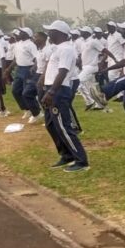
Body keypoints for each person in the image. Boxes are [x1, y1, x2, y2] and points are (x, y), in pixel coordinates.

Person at [39, 20, 89, 173]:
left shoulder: (66, 49)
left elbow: (63, 71)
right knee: (51, 125)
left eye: (50, 31)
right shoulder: (59, 48)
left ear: (59, 33)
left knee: (63, 127)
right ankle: (66, 155)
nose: (48, 34)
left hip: (58, 91)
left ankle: (81, 160)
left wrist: (51, 92)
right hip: (52, 89)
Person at [2, 28, 36, 118]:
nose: (19, 33)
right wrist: (8, 69)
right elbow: (15, 59)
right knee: (15, 90)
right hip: (19, 69)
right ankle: (27, 109)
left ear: (27, 34)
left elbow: (36, 58)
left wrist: (33, 68)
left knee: (26, 92)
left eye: (22, 32)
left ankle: (36, 112)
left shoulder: (31, 45)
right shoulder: (18, 44)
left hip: (28, 69)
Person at [77, 26, 112, 111]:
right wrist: (80, 63)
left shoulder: (93, 42)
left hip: (91, 67)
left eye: (82, 31)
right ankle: (99, 104)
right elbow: (82, 55)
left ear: (87, 33)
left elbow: (105, 50)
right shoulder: (83, 42)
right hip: (86, 66)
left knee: (78, 82)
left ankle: (89, 101)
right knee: (91, 87)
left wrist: (114, 59)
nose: (80, 33)